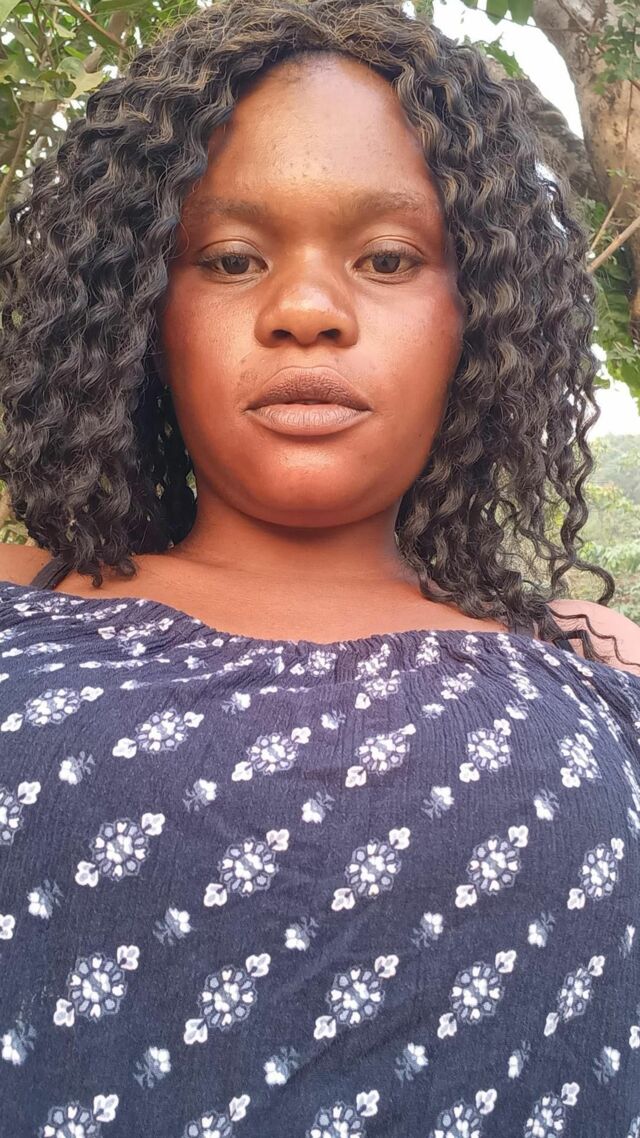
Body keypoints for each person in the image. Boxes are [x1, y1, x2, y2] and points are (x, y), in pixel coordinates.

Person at [0, 0, 639, 1134]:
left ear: (477, 319)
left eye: (388, 258)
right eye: (231, 259)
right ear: (143, 312)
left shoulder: (596, 665)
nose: (305, 311)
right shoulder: (20, 603)